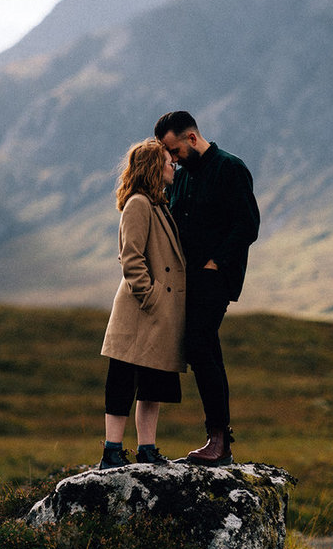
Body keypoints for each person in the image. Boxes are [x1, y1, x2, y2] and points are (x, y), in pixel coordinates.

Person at [156, 110, 259, 466]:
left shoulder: (230, 168)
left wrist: (217, 262)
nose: (172, 158)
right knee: (204, 351)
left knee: (200, 346)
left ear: (191, 138)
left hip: (216, 277)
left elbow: (248, 224)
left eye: (174, 150)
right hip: (186, 281)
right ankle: (218, 439)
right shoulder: (181, 178)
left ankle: (218, 440)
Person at [95, 138, 189, 469]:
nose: (172, 167)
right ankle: (112, 451)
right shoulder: (138, 204)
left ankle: (146, 448)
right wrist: (149, 296)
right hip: (139, 311)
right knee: (122, 381)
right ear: (153, 166)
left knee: (153, 384)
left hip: (157, 312)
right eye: (167, 161)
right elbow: (131, 257)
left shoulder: (158, 204)